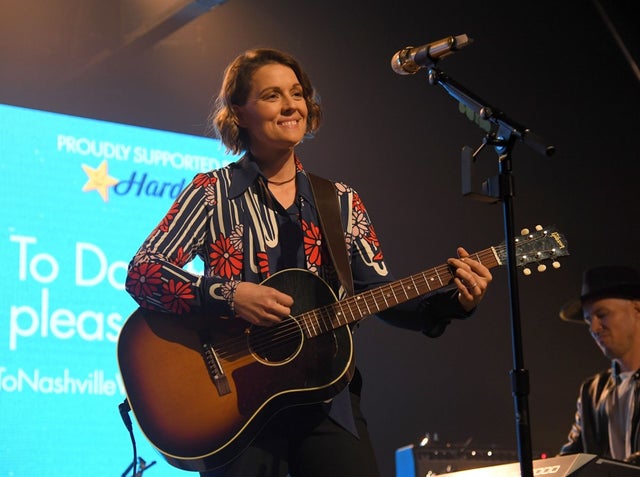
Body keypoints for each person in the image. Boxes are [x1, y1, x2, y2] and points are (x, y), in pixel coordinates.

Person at [124, 47, 492, 477]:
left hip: (327, 402)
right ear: (239, 113)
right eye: (272, 95)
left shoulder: (340, 200)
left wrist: (454, 302)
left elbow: (380, 296)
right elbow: (144, 272)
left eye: (297, 93)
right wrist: (231, 294)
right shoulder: (212, 192)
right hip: (237, 410)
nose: (290, 105)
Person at [559, 265, 640, 463]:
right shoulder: (592, 391)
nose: (594, 328)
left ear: (637, 309)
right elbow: (570, 459)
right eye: (589, 321)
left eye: (602, 314)